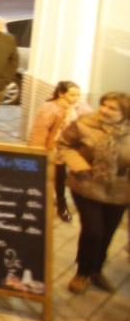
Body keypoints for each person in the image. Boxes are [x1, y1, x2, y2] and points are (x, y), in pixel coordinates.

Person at [59, 92, 130, 294]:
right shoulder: (85, 124)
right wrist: (79, 166)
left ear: (125, 113)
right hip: (87, 185)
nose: (105, 111)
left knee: (108, 233)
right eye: (104, 105)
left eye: (112, 108)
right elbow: (64, 145)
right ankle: (82, 272)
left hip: (120, 190)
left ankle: (96, 270)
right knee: (93, 232)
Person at [27, 80, 87, 222]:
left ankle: (61, 205)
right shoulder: (50, 107)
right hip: (54, 149)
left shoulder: (80, 108)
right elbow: (40, 131)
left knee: (68, 179)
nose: (76, 98)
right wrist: (38, 152)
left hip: (73, 150)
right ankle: (60, 207)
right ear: (61, 93)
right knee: (57, 179)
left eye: (78, 94)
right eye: (73, 94)